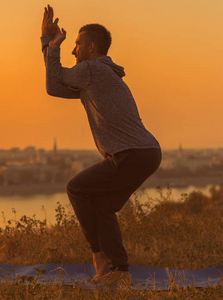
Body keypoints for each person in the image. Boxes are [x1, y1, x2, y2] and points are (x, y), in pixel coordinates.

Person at [40, 5, 161, 284]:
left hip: (131, 153)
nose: (73, 50)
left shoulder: (92, 70)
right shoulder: (98, 75)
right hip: (145, 153)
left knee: (76, 188)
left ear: (90, 47)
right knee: (103, 207)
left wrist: (51, 43)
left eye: (77, 44)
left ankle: (99, 256)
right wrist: (47, 44)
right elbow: (55, 85)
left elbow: (54, 79)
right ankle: (119, 273)